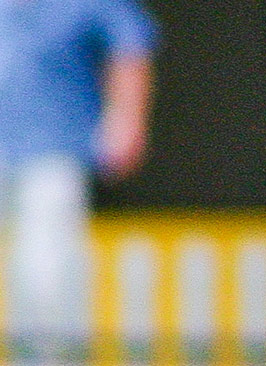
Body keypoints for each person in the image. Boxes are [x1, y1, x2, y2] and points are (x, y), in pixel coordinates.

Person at [0, 0, 156, 337]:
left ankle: (47, 353)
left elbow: (130, 44)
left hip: (54, 150)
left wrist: (127, 119)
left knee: (44, 268)